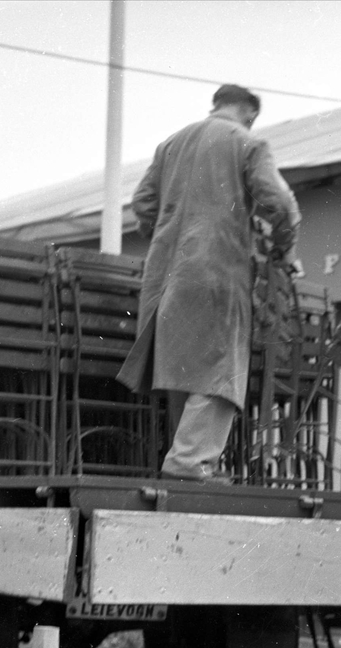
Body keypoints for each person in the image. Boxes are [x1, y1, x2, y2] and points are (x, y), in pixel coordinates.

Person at [118, 84, 301, 482]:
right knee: (220, 369)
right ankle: (189, 464)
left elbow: (143, 203)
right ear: (250, 113)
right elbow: (281, 204)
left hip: (166, 273)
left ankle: (188, 461)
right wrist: (282, 248)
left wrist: (169, 233)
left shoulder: (171, 144)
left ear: (217, 104)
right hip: (217, 270)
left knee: (183, 367)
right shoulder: (248, 142)